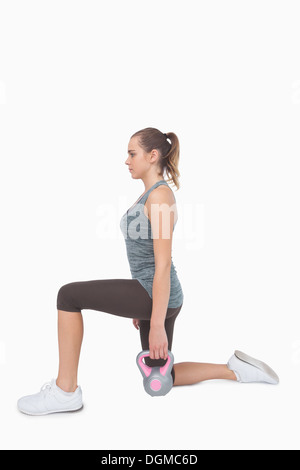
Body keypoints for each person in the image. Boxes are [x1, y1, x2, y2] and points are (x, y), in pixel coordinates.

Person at [17, 127, 279, 416]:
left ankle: (65, 391)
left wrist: (154, 323)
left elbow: (163, 263)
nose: (126, 160)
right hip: (151, 293)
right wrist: (138, 306)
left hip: (156, 293)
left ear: (152, 156)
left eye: (132, 153)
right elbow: (145, 259)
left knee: (68, 296)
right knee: (158, 379)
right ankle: (236, 371)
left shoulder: (159, 197)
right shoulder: (150, 195)